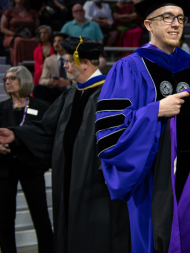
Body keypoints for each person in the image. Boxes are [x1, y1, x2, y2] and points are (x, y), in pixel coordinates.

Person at [96, 0, 190, 253]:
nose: (176, 24)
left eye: (180, 19)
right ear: (148, 24)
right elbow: (110, 132)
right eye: (167, 17)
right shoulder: (129, 68)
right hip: (152, 183)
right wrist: (155, 110)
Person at [0, 37, 131, 252]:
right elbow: (45, 130)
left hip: (96, 186)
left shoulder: (111, 94)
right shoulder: (70, 95)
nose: (65, 65)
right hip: (70, 182)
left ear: (85, 63)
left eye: (69, 60)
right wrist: (15, 136)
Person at [0, 66, 53, 253]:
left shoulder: (39, 106)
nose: (7, 82)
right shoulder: (2, 107)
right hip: (5, 168)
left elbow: (44, 134)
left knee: (40, 216)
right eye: (6, 79)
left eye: (12, 78)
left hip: (31, 165)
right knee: (4, 218)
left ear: (24, 80)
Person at [0, 0, 39, 66]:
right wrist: (14, 34)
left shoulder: (32, 12)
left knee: (36, 41)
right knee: (19, 40)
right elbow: (2, 28)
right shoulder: (8, 12)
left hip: (28, 36)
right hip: (11, 36)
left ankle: (34, 67)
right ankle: (18, 66)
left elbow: (36, 28)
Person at [33, 33, 71, 104]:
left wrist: (68, 82)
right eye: (54, 41)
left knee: (65, 89)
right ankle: (44, 112)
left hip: (70, 88)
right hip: (55, 90)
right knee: (37, 88)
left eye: (60, 41)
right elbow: (42, 80)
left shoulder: (73, 59)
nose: (56, 43)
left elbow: (81, 79)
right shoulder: (49, 60)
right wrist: (49, 81)